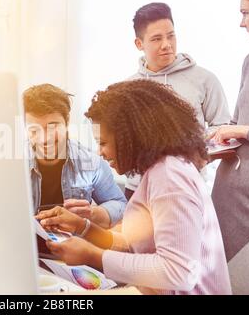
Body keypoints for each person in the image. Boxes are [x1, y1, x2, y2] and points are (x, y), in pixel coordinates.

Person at [36, 80, 232, 295]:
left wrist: (95, 256)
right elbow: (135, 246)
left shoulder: (170, 177)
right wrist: (83, 227)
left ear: (129, 138)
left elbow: (179, 272)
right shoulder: (160, 171)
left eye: (103, 143)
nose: (100, 152)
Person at [124, 2, 231, 200]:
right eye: (156, 39)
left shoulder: (204, 79)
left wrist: (198, 157)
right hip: (138, 190)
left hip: (187, 186)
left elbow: (223, 130)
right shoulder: (128, 88)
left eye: (171, 35)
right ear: (139, 44)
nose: (167, 44)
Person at [209, 0, 249, 261]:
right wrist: (214, 142)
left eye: (246, 13)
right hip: (224, 194)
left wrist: (242, 132)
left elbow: (242, 129)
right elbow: (235, 122)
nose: (241, 22)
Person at [23, 84, 126, 229]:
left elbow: (119, 204)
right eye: (34, 130)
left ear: (67, 122)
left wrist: (94, 214)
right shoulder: (11, 165)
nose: (44, 139)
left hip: (74, 247)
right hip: (25, 248)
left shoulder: (92, 162)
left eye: (53, 127)